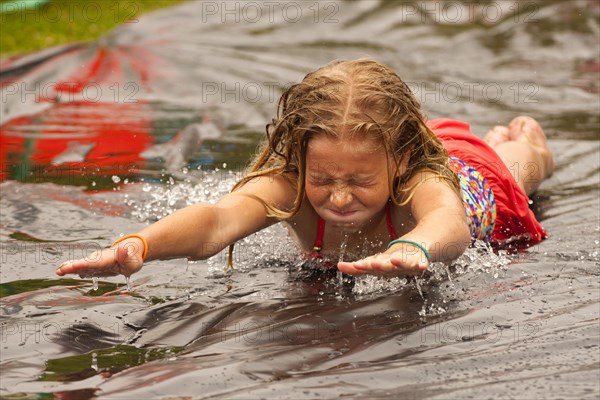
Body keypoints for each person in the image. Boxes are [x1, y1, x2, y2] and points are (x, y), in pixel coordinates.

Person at [55, 58, 554, 279]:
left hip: (471, 181)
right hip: (382, 151)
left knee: (514, 170)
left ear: (399, 160)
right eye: (323, 179)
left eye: (358, 182)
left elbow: (449, 222)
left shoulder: (419, 181)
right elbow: (215, 222)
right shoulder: (290, 186)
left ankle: (527, 145)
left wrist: (413, 244)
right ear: (299, 159)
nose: (337, 197)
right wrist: (139, 245)